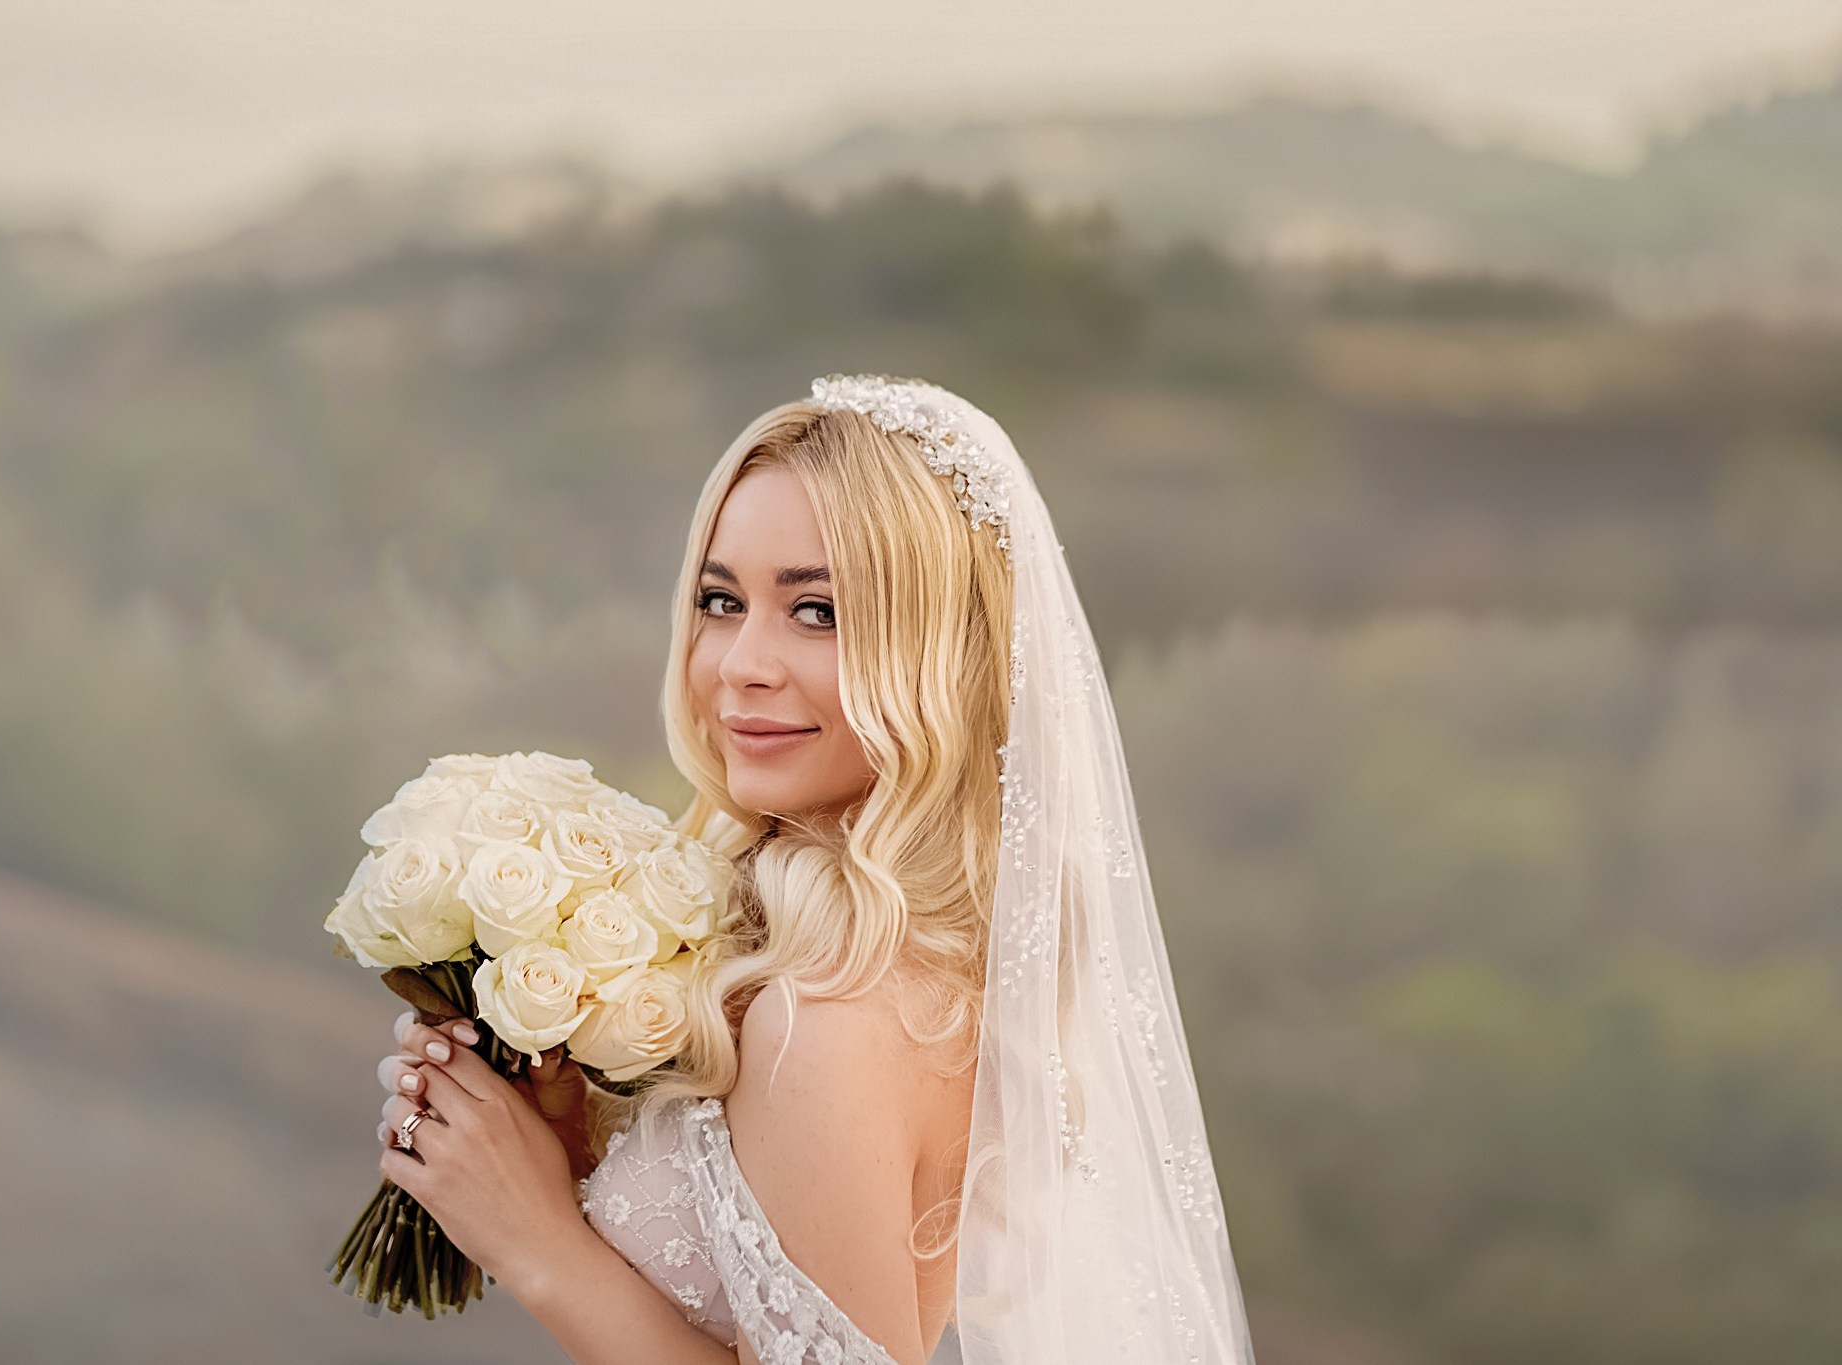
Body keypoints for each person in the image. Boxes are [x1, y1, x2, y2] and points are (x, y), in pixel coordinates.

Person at [371, 375, 1258, 1365]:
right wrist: (573, 1140)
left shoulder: (827, 1018)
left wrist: (537, 1245)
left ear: (940, 654)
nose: (740, 662)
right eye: (721, 600)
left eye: (818, 612)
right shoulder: (900, 957)